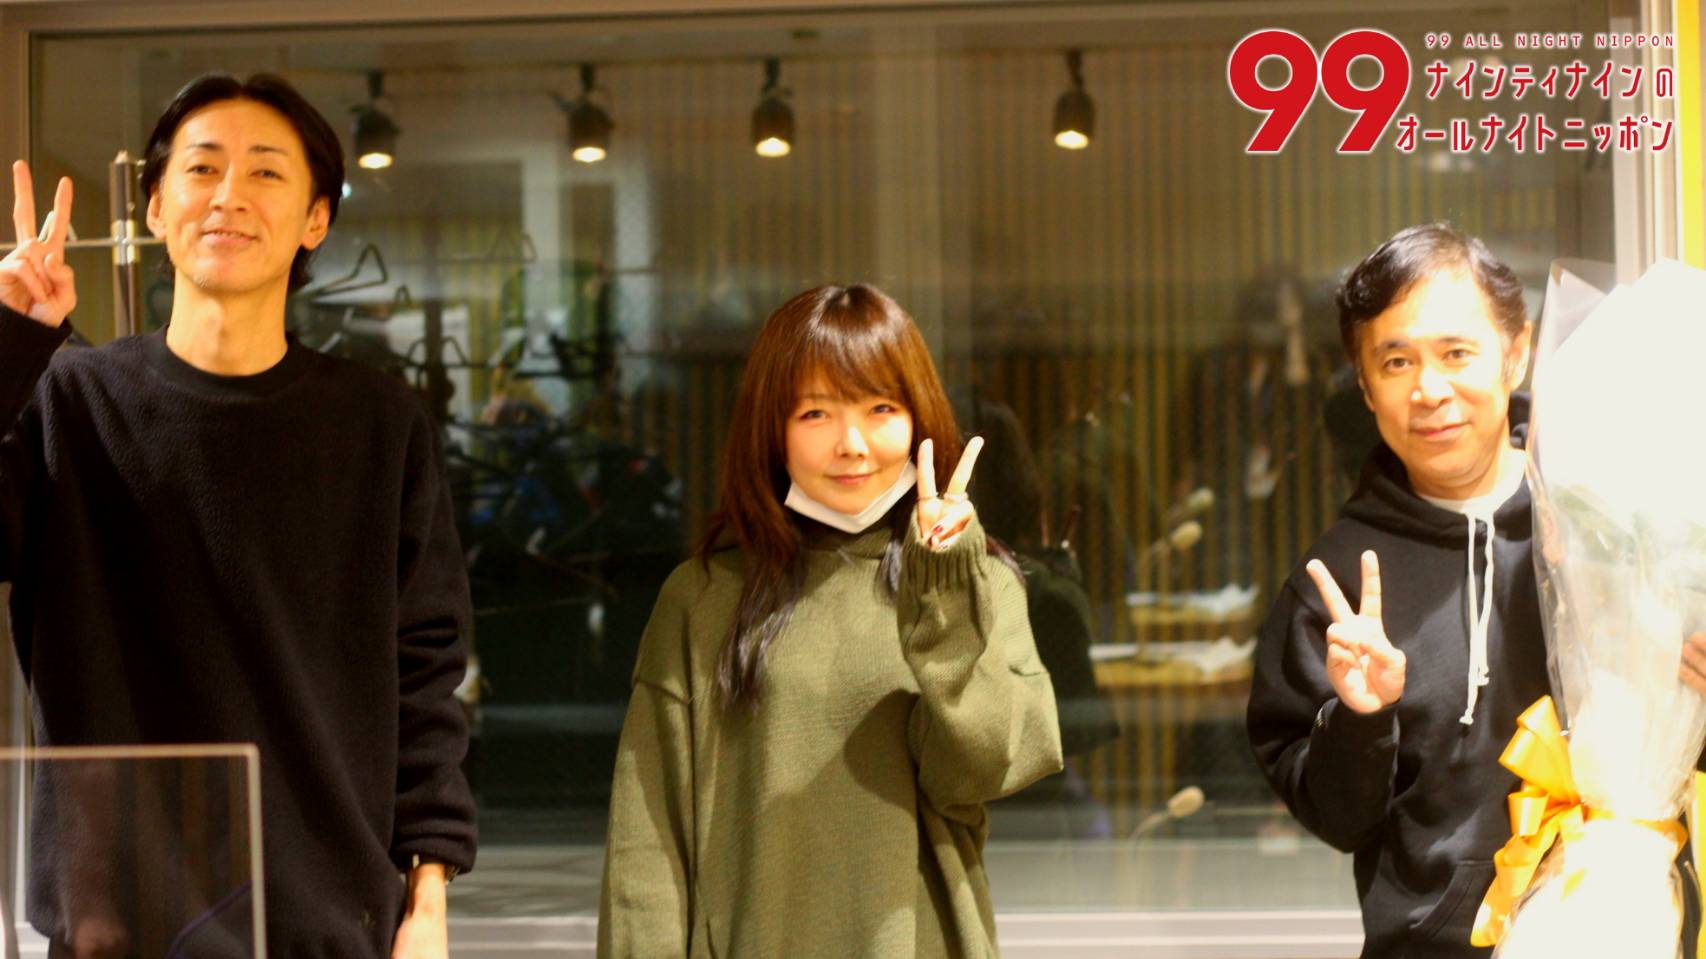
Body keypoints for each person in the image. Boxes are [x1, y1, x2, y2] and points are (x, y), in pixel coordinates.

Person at [0, 72, 474, 958]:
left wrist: (430, 897)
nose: (228, 195)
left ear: (315, 219)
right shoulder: (69, 402)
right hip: (116, 930)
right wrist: (7, 343)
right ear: (154, 207)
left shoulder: (378, 423)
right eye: (201, 167)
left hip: (327, 927)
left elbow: (426, 671)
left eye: (265, 172)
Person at [597, 284, 1062, 957]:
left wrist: (941, 587)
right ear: (772, 429)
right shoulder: (703, 596)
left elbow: (982, 770)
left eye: (881, 408)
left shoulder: (979, 584)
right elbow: (648, 844)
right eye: (816, 412)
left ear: (918, 419)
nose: (852, 444)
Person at [1246, 224, 1547, 958]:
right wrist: (1361, 719)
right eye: (1396, 361)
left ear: (1517, 353)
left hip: (1620, 927)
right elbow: (1336, 818)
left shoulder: (1602, 530)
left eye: (1456, 353)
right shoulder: (1338, 584)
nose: (1429, 390)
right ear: (1364, 385)